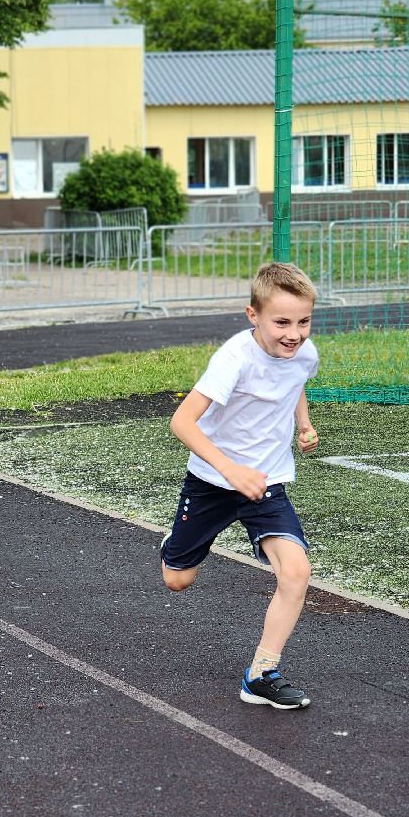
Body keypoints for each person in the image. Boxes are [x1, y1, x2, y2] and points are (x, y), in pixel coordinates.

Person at [160, 262, 321, 710]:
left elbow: (295, 384)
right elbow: (182, 421)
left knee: (296, 571)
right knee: (177, 580)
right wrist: (232, 471)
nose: (294, 333)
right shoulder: (234, 358)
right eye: (282, 322)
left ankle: (261, 673)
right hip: (213, 482)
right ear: (253, 315)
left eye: (304, 321)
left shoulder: (304, 354)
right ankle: (178, 542)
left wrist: (303, 423)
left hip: (266, 483)